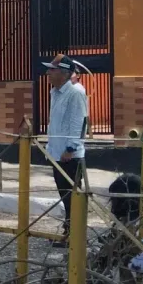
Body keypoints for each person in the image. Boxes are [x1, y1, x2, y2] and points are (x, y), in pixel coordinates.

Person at [44, 54, 88, 241]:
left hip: (69, 155)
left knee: (72, 197)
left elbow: (78, 122)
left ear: (63, 73)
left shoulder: (75, 93)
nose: (48, 73)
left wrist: (70, 148)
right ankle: (69, 232)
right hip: (56, 152)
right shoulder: (55, 92)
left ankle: (74, 235)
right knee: (65, 196)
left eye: (52, 70)